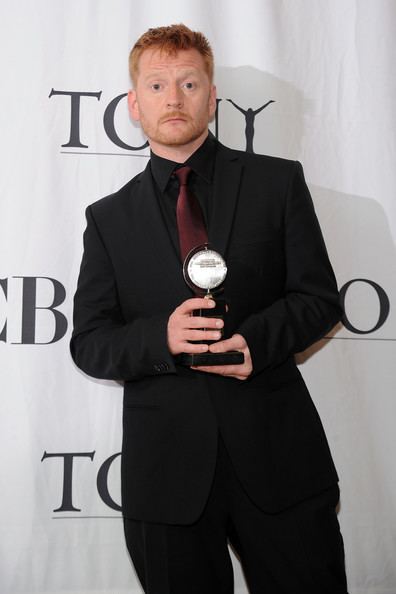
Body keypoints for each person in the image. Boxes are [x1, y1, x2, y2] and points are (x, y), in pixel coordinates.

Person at [70, 23, 348, 594]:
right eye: (156, 86)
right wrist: (160, 339)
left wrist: (257, 343)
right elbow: (91, 340)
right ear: (133, 105)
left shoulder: (278, 183)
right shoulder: (108, 218)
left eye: (189, 83)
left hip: (279, 462)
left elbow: (320, 299)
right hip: (166, 481)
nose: (173, 98)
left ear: (213, 97)